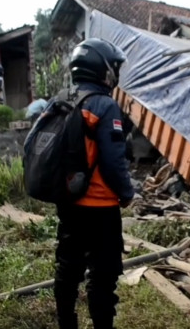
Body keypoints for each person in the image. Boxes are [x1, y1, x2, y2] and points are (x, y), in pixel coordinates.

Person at [53, 38, 134, 329]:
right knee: (102, 276)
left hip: (70, 203)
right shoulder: (104, 105)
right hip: (100, 207)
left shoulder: (63, 100)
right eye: (114, 67)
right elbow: (114, 162)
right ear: (103, 69)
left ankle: (67, 324)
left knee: (67, 268)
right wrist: (126, 193)